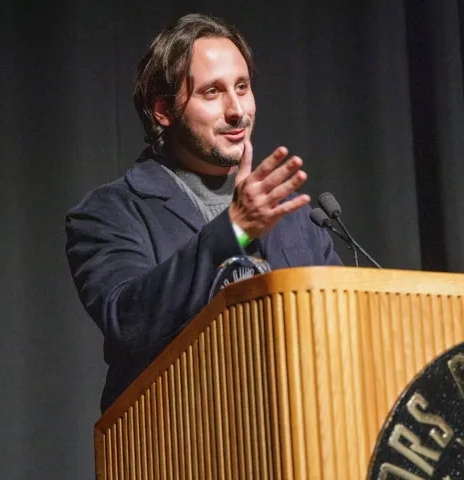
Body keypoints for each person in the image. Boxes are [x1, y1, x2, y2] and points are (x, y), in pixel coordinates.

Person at [65, 13, 342, 413]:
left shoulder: (295, 216)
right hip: (180, 443)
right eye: (212, 93)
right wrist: (234, 228)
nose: (237, 111)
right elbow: (129, 322)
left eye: (242, 87)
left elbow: (341, 325)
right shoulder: (109, 213)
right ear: (163, 111)